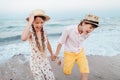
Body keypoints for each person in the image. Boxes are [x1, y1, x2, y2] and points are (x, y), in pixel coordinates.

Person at [53, 14, 99, 80]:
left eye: (93, 29)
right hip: (69, 52)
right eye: (90, 27)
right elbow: (60, 42)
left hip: (80, 52)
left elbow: (80, 41)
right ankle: (62, 59)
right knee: (67, 72)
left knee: (85, 71)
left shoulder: (87, 33)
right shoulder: (68, 29)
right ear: (83, 23)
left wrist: (84, 34)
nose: (91, 30)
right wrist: (56, 54)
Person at [21, 9, 55, 80]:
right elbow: (23, 38)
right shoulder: (31, 34)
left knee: (50, 77)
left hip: (45, 61)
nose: (39, 25)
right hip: (35, 63)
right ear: (33, 23)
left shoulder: (44, 32)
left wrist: (52, 54)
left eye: (41, 22)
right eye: (37, 23)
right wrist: (30, 22)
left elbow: (47, 43)